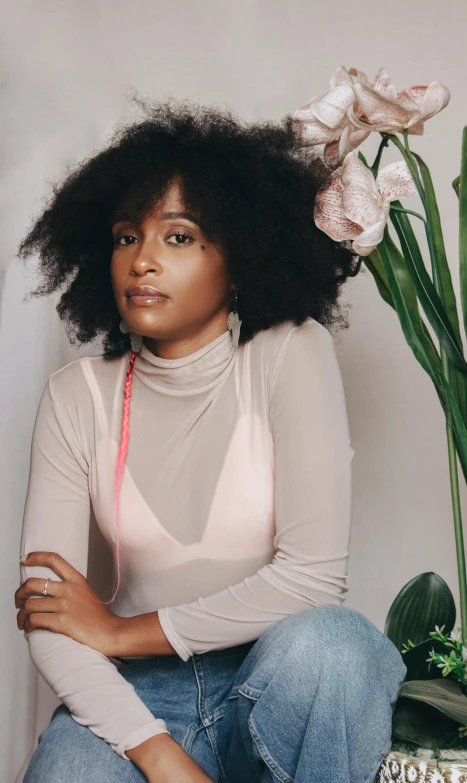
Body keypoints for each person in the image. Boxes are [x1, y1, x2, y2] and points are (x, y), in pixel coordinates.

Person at [14, 99, 407, 783]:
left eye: (179, 237)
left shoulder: (290, 353)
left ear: (240, 255)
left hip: (269, 679)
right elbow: (51, 619)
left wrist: (116, 630)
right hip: (140, 695)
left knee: (339, 649)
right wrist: (161, 755)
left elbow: (312, 577)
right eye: (125, 237)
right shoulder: (78, 396)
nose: (142, 261)